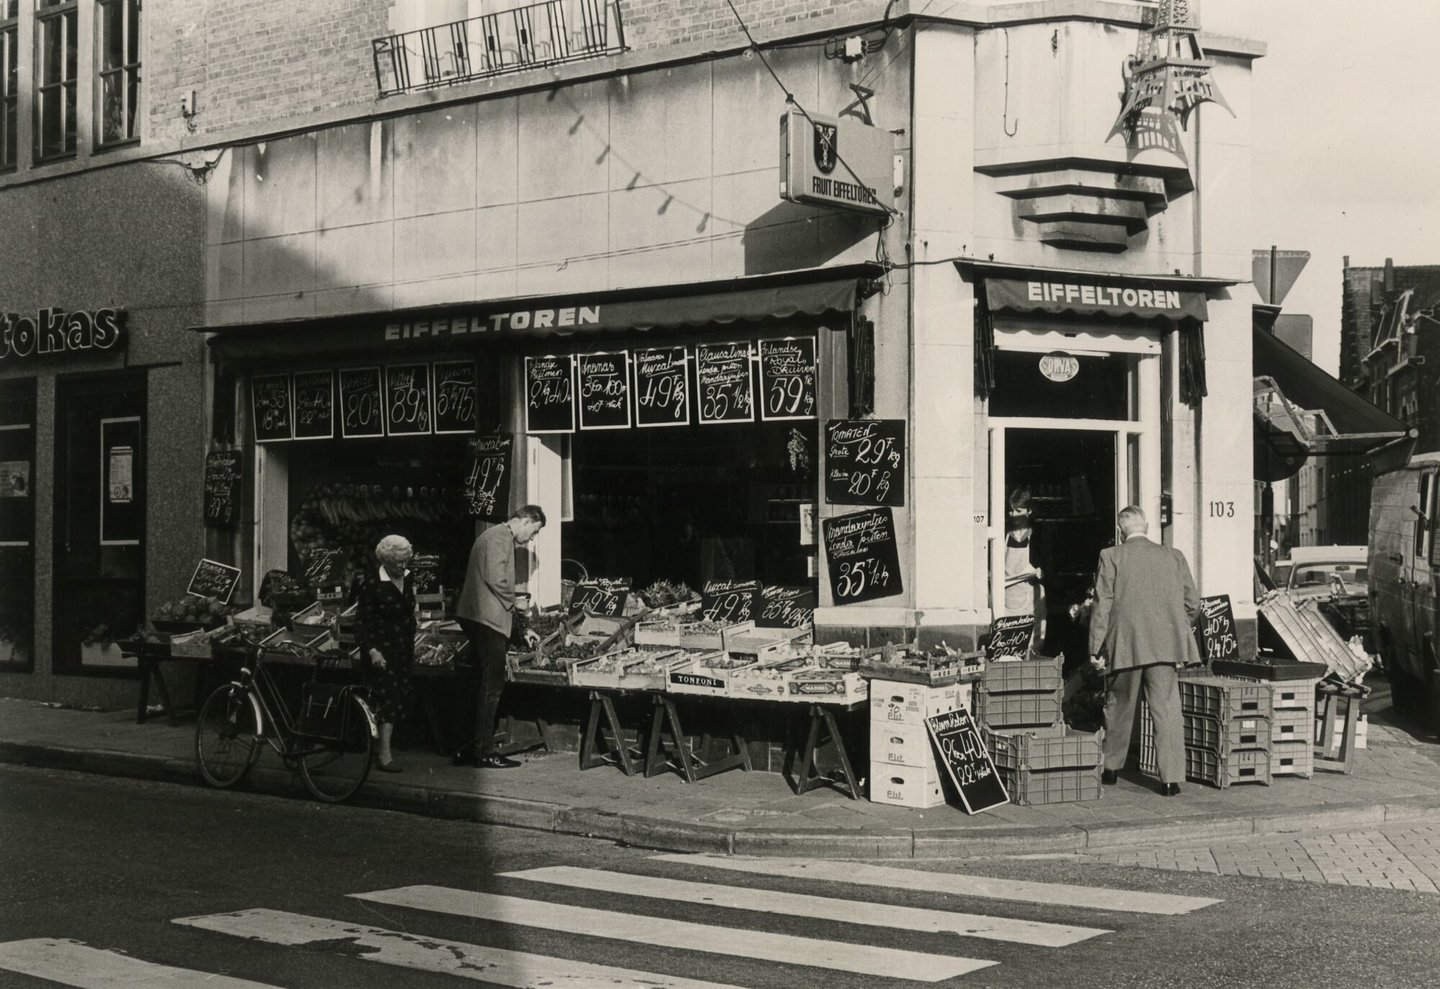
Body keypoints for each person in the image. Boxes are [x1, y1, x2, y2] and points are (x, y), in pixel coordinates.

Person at [1087, 505, 1201, 796]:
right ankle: (1170, 780)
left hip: (1125, 642)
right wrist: (1173, 626)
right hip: (1165, 645)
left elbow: (1103, 604)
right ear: (1147, 526)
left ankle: (1111, 769)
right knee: (1166, 710)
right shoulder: (1173, 556)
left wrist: (1095, 647)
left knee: (1119, 705)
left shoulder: (1110, 555)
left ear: (1119, 529)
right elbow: (1193, 603)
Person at [453, 505, 546, 769]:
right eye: (534, 531)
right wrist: (517, 602)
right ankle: (484, 753)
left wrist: (519, 628)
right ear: (527, 520)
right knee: (492, 686)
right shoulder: (498, 538)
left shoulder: (493, 536)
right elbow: (496, 579)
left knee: (477, 685)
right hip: (487, 620)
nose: (532, 538)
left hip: (484, 618)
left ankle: (466, 749)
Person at [354, 534, 417, 773]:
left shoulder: (409, 578)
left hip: (403, 648)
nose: (403, 567)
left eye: (406, 561)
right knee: (388, 699)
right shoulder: (372, 583)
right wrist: (372, 650)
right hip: (381, 650)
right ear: (386, 562)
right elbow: (361, 622)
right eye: (398, 563)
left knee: (399, 696)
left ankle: (380, 747)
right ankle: (384, 754)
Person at [1001, 488, 1047, 652]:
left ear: (1029, 511)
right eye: (1010, 510)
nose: (1013, 515)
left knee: (1030, 648)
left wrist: (1042, 572)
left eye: (1018, 511)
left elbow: (1048, 565)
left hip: (1030, 598)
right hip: (1006, 598)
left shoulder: (1039, 534)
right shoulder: (1002, 533)